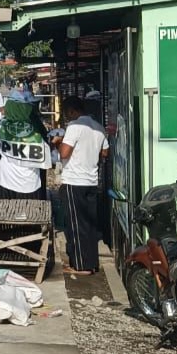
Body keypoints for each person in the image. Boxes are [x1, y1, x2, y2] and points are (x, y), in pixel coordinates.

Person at [53, 97, 108, 275]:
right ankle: (91, 263)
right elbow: (105, 152)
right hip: (91, 181)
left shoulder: (74, 127)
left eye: (67, 113)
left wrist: (58, 142)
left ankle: (81, 266)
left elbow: (64, 153)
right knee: (90, 225)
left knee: (76, 225)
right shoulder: (98, 127)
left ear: (72, 111)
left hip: (74, 181)